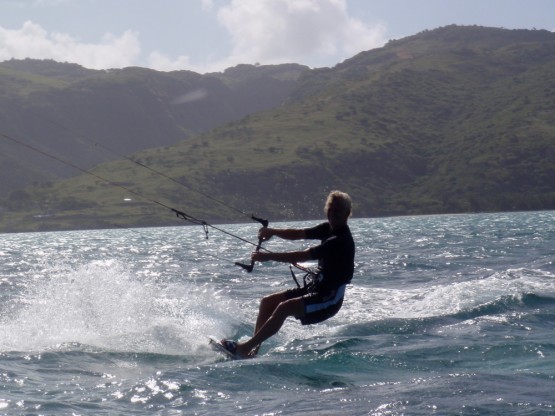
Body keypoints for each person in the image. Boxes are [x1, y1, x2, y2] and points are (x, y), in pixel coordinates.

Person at [220, 190, 355, 358]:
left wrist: (269, 256)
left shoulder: (340, 240)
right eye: (330, 210)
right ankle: (251, 351)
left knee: (284, 308)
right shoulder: (328, 228)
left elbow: (303, 255)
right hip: (316, 288)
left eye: (337, 211)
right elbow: (298, 234)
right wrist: (273, 231)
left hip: (330, 299)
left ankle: (244, 348)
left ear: (347, 214)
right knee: (268, 302)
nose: (332, 214)